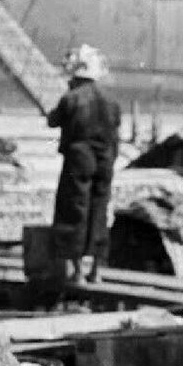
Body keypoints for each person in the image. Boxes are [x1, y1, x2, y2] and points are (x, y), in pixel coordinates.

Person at [48, 44, 121, 284]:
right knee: (99, 211)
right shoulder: (111, 101)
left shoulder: (72, 97)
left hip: (80, 160)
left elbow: (53, 120)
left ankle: (77, 271)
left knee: (75, 210)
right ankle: (96, 270)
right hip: (106, 160)